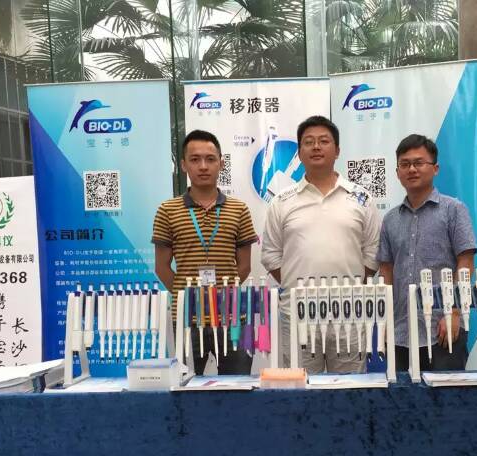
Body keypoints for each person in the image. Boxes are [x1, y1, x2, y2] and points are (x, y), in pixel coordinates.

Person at [261, 115, 380, 373]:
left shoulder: (361, 198)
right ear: (299, 153)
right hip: (297, 313)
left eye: (324, 141)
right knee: (300, 387)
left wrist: (349, 287)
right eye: (309, 142)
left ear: (337, 150)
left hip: (349, 311)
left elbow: (372, 252)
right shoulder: (282, 201)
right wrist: (296, 283)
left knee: (350, 389)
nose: (316, 147)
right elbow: (271, 255)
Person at [152, 129, 258, 374]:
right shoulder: (167, 210)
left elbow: (244, 266)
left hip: (232, 317)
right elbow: (162, 267)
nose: (203, 166)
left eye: (210, 159)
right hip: (187, 319)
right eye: (195, 159)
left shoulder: (239, 209)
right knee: (185, 387)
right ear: (183, 165)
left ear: (221, 163)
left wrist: (220, 297)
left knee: (237, 386)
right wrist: (189, 297)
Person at [377, 134, 477, 372]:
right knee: (401, 395)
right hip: (401, 332)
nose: (411, 169)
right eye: (405, 164)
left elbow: (465, 262)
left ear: (435, 168)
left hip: (443, 328)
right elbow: (386, 271)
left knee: (446, 394)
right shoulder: (390, 219)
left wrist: (453, 312)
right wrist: (385, 322)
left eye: (419, 163)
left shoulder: (454, 210)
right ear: (397, 172)